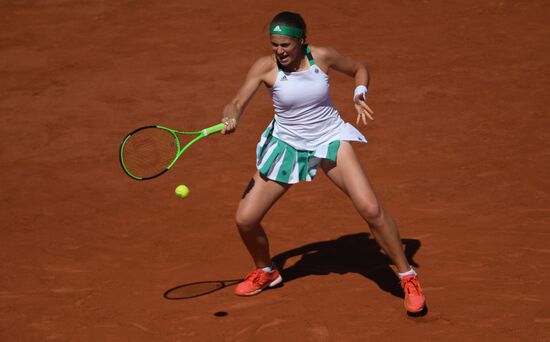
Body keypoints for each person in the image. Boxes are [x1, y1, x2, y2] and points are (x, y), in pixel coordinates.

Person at [220, 11, 425, 313]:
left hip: (328, 138)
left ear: (302, 41)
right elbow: (236, 102)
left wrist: (359, 92)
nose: (279, 51)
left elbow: (359, 68)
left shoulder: (322, 56)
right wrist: (231, 115)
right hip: (287, 146)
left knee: (370, 208)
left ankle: (407, 276)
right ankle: (267, 270)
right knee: (245, 219)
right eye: (274, 44)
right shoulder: (266, 67)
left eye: (286, 45)